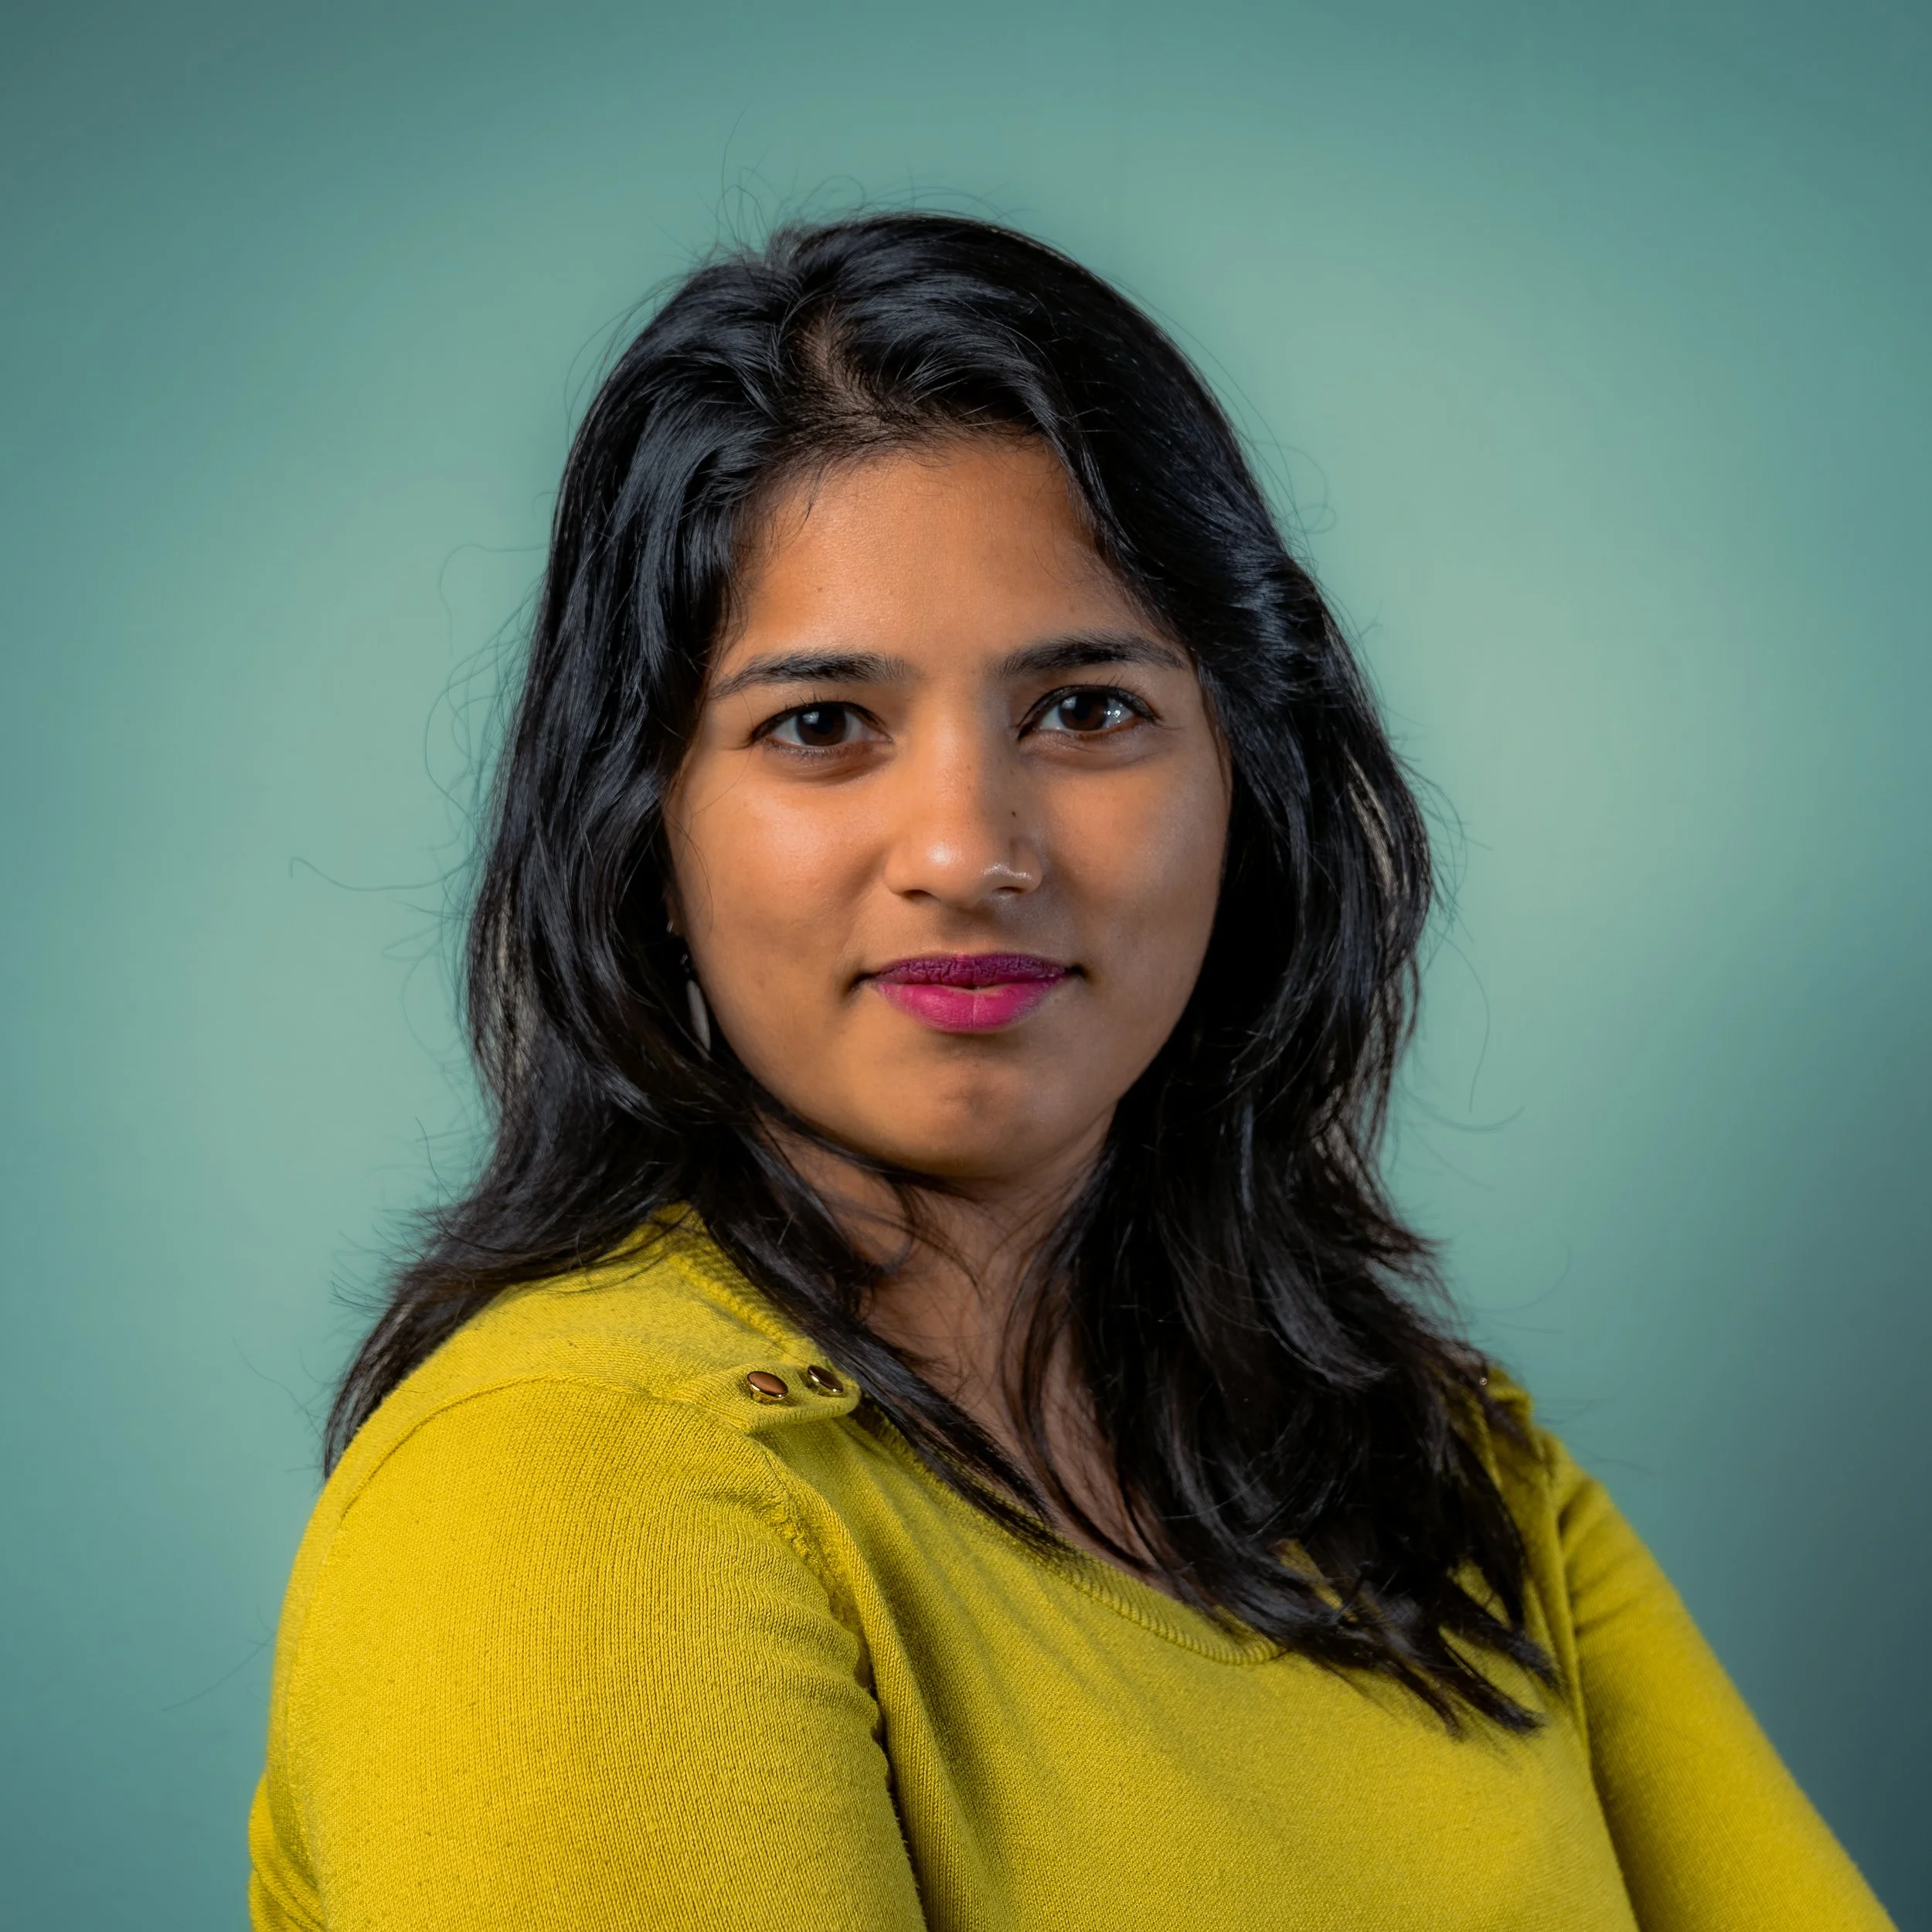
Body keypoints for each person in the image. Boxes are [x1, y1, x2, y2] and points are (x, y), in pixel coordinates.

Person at [247, 213, 1892, 1932]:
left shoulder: (1427, 1458)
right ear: (642, 827)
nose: (967, 848)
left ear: (1244, 777)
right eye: (819, 726)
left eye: (1086, 709)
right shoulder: (570, 1492)